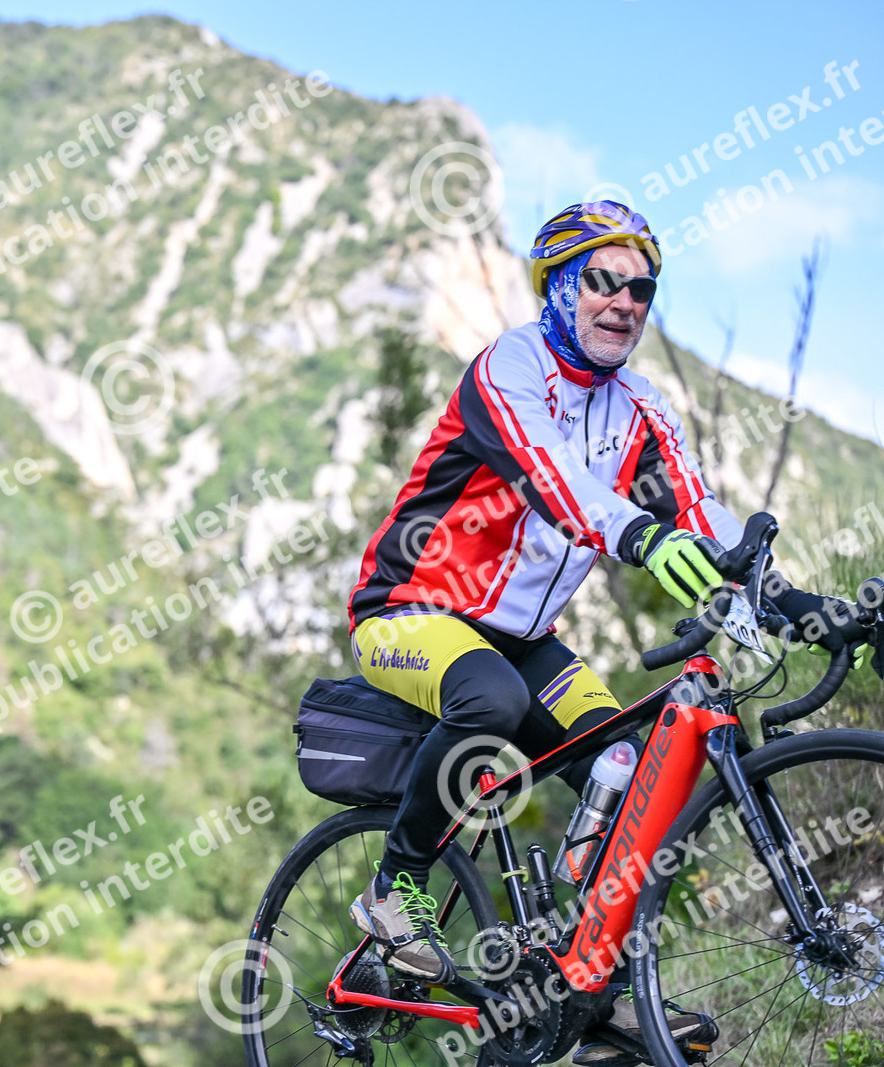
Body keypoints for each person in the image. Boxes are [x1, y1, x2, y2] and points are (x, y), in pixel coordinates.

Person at [343, 202, 858, 1063]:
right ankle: (396, 889)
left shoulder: (641, 406)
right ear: (556, 285)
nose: (623, 301)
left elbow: (699, 515)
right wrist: (644, 539)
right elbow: (556, 481)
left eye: (641, 289)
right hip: (410, 611)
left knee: (632, 769)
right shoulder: (510, 367)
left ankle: (593, 988)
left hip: (524, 640)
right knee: (489, 697)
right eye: (601, 280)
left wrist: (795, 602)